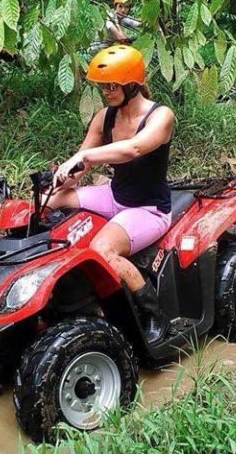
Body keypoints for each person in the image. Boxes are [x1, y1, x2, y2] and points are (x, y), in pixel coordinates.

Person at [48, 45, 174, 344]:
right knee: (48, 203)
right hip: (113, 196)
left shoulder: (160, 115)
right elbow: (81, 160)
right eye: (103, 85)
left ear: (133, 84)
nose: (106, 91)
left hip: (148, 209)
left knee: (102, 249)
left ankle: (153, 313)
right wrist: (63, 178)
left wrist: (88, 158)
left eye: (112, 85)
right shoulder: (105, 117)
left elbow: (134, 149)